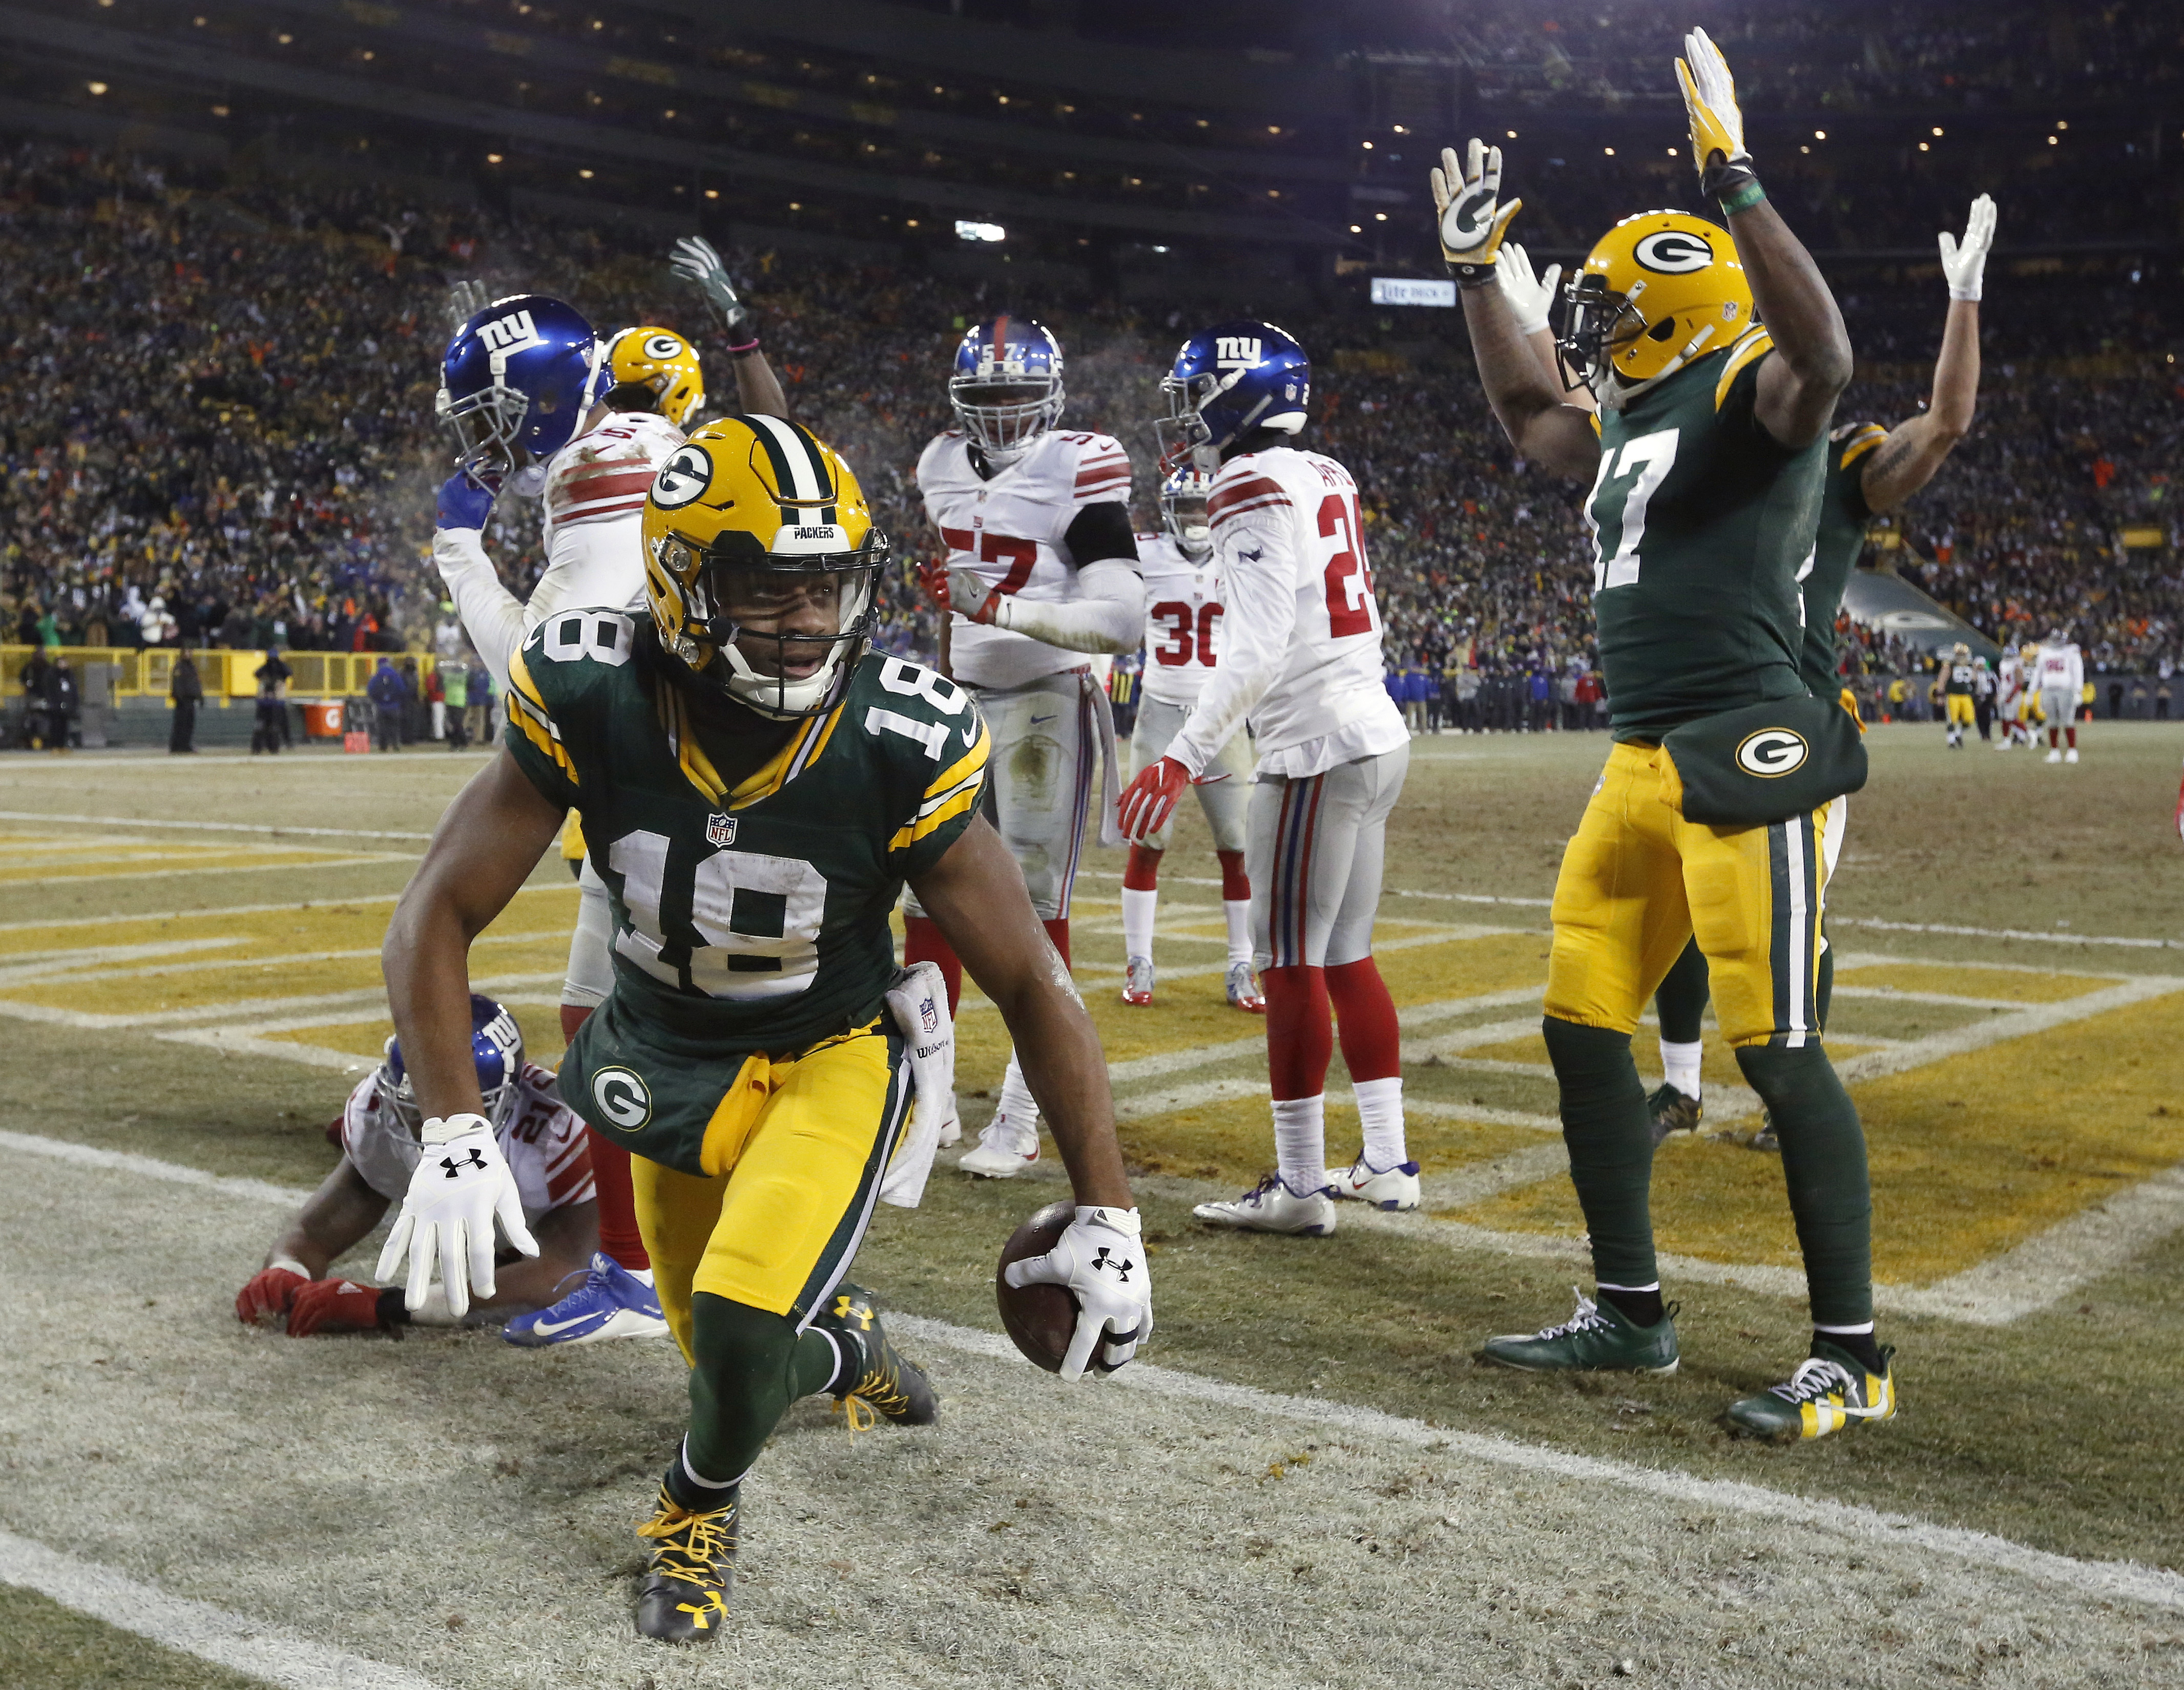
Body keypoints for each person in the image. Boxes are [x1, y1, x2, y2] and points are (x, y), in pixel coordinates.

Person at [374, 413, 1151, 1643]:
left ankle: (692, 1511)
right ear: (682, 581)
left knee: (740, 1333)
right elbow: (436, 913)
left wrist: (1108, 1204)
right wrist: (455, 1132)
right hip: (660, 1055)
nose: (802, 618)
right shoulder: (591, 684)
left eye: (825, 584)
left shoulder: (899, 732)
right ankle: (848, 1352)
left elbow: (1031, 979)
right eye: (763, 585)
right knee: (720, 1357)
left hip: (827, 1056)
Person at [1441, 27, 1893, 1442]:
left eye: (1606, 310)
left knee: (1773, 1042)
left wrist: (1735, 182)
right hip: (1637, 757)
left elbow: (1819, 351)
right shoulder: (1628, 419)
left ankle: (1852, 1353)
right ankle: (1629, 1311)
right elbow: (1525, 405)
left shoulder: (1753, 396)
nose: (1583, 333)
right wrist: (1471, 281)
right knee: (1578, 1021)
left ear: (1676, 311)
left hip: (1748, 745)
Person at [1119, 318, 1416, 1232]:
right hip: (1374, 731)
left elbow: (1252, 649)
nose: (1185, 415)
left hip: (1317, 745)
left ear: (1235, 392)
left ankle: (1299, 1186)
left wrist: (1177, 754)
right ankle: (1388, 1159)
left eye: (1194, 391)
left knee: (1289, 964)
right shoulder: (1326, 470)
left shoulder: (1248, 477)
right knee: (1344, 956)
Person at [906, 317, 1146, 1179]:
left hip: (1047, 694)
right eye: (988, 396)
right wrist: (940, 679)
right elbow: (945, 599)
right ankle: (924, 1104)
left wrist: (999, 610)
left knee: (1037, 904)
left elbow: (1120, 618)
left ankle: (1020, 1115)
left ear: (1049, 397)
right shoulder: (937, 465)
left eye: (1018, 395)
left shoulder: (1076, 465)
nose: (1004, 413)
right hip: (961, 698)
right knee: (925, 896)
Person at [235, 998, 601, 1336]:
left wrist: (390, 1304)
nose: (430, 1117)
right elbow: (311, 1235)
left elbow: (567, 1274)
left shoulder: (553, 1134)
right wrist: (286, 1271)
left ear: (507, 1101)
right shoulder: (381, 1116)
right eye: (415, 1100)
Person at [1118, 461, 1261, 1013]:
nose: (1198, 519)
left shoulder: (1245, 552)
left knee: (1238, 845)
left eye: (1207, 508)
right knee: (1148, 840)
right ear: (1168, 512)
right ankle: (1139, 958)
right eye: (1188, 508)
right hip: (1160, 712)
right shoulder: (1145, 553)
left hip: (1220, 717)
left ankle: (1240, 961)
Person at [2035, 628, 2085, 762]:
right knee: (2052, 722)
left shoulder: (2071, 652)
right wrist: (2032, 691)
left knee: (2068, 720)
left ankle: (2072, 751)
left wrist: (2078, 691)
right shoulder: (2044, 652)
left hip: (2066, 689)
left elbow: (2078, 671)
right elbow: (2038, 672)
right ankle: (2054, 751)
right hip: (2048, 690)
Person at [252, 649, 292, 755]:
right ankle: (262, 748)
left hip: (275, 703)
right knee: (264, 726)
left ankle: (268, 747)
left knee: (274, 726)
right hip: (268, 703)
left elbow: (289, 672)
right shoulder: (265, 670)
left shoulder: (279, 670)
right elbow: (257, 673)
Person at [1940, 642, 1976, 749]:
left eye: (1963, 654)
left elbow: (1974, 679)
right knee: (1952, 720)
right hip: (1953, 695)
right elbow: (1942, 679)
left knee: (1969, 720)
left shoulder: (1970, 665)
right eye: (1960, 654)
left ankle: (1958, 735)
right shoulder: (1950, 665)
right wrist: (1940, 695)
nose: (1962, 657)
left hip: (1966, 696)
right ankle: (1951, 741)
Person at [366, 655, 405, 752]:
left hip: (381, 706)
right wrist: (397, 700)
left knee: (382, 728)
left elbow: (370, 690)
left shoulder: (376, 677)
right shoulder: (396, 676)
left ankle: (383, 747)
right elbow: (402, 689)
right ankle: (396, 745)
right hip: (394, 706)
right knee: (395, 727)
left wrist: (378, 700)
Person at [169, 649, 201, 754]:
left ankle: (186, 745)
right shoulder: (179, 667)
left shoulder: (192, 667)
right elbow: (177, 684)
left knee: (189, 724)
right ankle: (177, 746)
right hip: (183, 700)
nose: (188, 654)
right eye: (186, 652)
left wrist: (200, 696)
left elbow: (196, 683)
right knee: (180, 724)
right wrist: (180, 697)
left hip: (191, 699)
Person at [442, 655, 469, 749]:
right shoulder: (461, 675)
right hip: (451, 701)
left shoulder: (464, 675)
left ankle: (460, 742)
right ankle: (457, 742)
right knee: (453, 724)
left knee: (457, 723)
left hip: (459, 701)